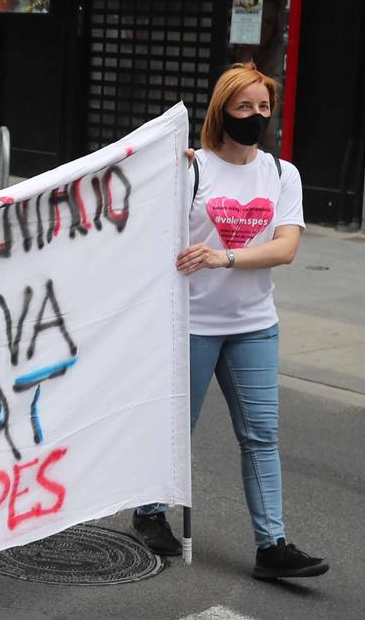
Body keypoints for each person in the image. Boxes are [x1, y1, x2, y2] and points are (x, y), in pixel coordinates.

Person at [129, 63, 326, 581]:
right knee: (179, 427)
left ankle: (272, 545)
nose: (255, 117)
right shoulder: (192, 170)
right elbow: (145, 227)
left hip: (254, 324)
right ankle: (150, 512)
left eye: (263, 108)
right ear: (223, 111)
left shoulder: (283, 174)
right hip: (191, 324)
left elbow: (285, 247)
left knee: (261, 433)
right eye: (245, 108)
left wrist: (226, 258)